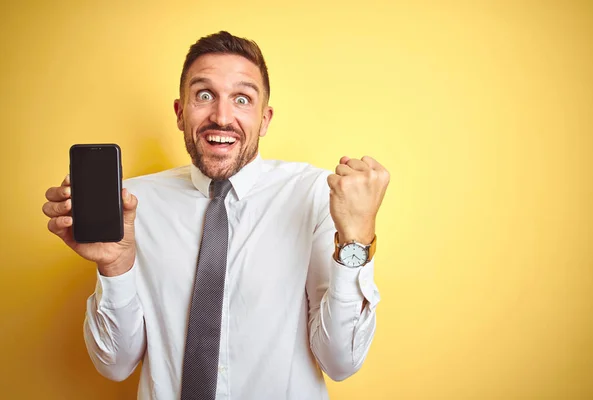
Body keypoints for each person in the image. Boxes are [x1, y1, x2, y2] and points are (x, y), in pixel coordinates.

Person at [42, 31, 390, 400]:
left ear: (265, 119)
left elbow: (341, 362)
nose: (222, 117)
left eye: (242, 99)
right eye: (204, 95)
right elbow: (115, 364)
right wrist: (115, 267)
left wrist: (356, 238)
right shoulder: (131, 203)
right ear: (180, 112)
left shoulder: (316, 195)